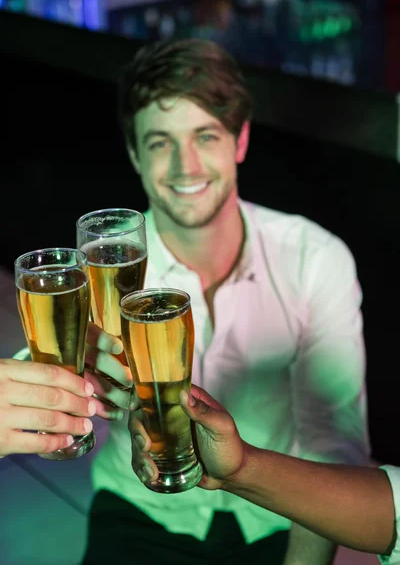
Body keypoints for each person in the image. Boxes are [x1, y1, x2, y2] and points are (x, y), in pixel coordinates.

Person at [2, 38, 370, 565]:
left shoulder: (316, 257)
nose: (185, 165)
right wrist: (60, 391)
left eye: (205, 135)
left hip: (275, 511)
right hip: (140, 509)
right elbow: (56, 374)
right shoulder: (105, 270)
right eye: (159, 143)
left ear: (240, 140)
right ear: (134, 153)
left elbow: (335, 444)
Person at [129, 384, 400, 564]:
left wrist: (239, 469)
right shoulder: (131, 299)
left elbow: (333, 444)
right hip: (138, 509)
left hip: (272, 519)